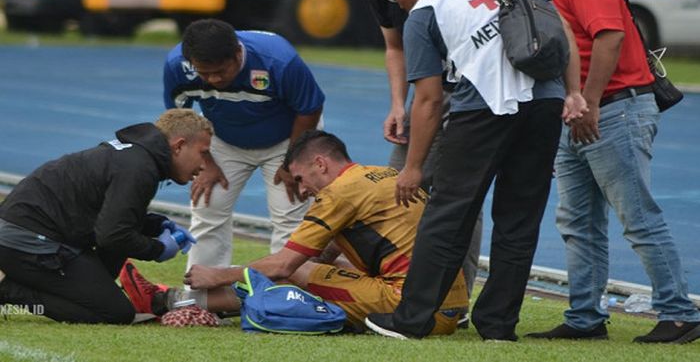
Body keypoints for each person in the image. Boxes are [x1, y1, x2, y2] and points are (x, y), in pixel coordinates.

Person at [483, 0, 700, 344]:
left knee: (636, 216)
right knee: (577, 221)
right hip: (579, 111)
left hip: (611, 110)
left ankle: (678, 314)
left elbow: (609, 37)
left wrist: (590, 102)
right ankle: (585, 317)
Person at [364, 0, 586, 341]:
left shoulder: (424, 13)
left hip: (482, 111)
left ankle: (412, 319)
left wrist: (413, 168)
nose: (394, 1)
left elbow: (430, 101)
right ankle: (499, 325)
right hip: (545, 104)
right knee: (520, 219)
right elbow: (563, 31)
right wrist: (573, 92)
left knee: (448, 214)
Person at [121, 130, 469, 334]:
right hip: (447, 305)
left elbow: (287, 265)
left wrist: (218, 274)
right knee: (314, 270)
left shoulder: (338, 192)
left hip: (410, 312)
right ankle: (179, 301)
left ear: (320, 164)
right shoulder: (381, 175)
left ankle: (167, 301)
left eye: (301, 179)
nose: (302, 191)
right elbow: (333, 249)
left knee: (296, 272)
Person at [354, 0, 483, 308]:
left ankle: (456, 297)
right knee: (398, 188)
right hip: (424, 95)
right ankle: (396, 284)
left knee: (456, 194)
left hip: (469, 95)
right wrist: (398, 105)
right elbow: (395, 48)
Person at [0, 109, 212, 324]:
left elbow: (113, 215)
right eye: (203, 153)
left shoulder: (138, 157)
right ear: (179, 146)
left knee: (109, 277)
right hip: (26, 242)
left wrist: (158, 225)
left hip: (29, 232)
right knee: (115, 313)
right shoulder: (140, 167)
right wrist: (158, 250)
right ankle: (8, 289)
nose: (204, 165)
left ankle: (94, 291)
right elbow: (112, 236)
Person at [163, 19, 325, 270]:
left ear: (238, 53)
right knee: (208, 208)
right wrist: (205, 162)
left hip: (288, 139)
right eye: (204, 73)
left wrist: (292, 160)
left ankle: (286, 297)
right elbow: (179, 121)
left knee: (289, 215)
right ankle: (202, 298)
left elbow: (309, 110)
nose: (214, 79)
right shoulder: (177, 66)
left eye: (220, 71)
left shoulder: (279, 60)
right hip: (223, 139)